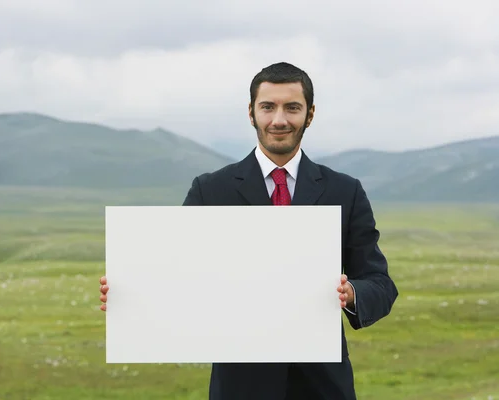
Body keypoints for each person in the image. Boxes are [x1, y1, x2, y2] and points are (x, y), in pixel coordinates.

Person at [99, 62, 399, 399]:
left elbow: (380, 284)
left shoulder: (346, 191)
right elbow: (179, 276)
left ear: (310, 115)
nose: (279, 119)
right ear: (251, 113)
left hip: (323, 387)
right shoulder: (210, 190)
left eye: (292, 107)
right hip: (239, 386)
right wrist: (135, 297)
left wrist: (352, 294)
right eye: (268, 107)